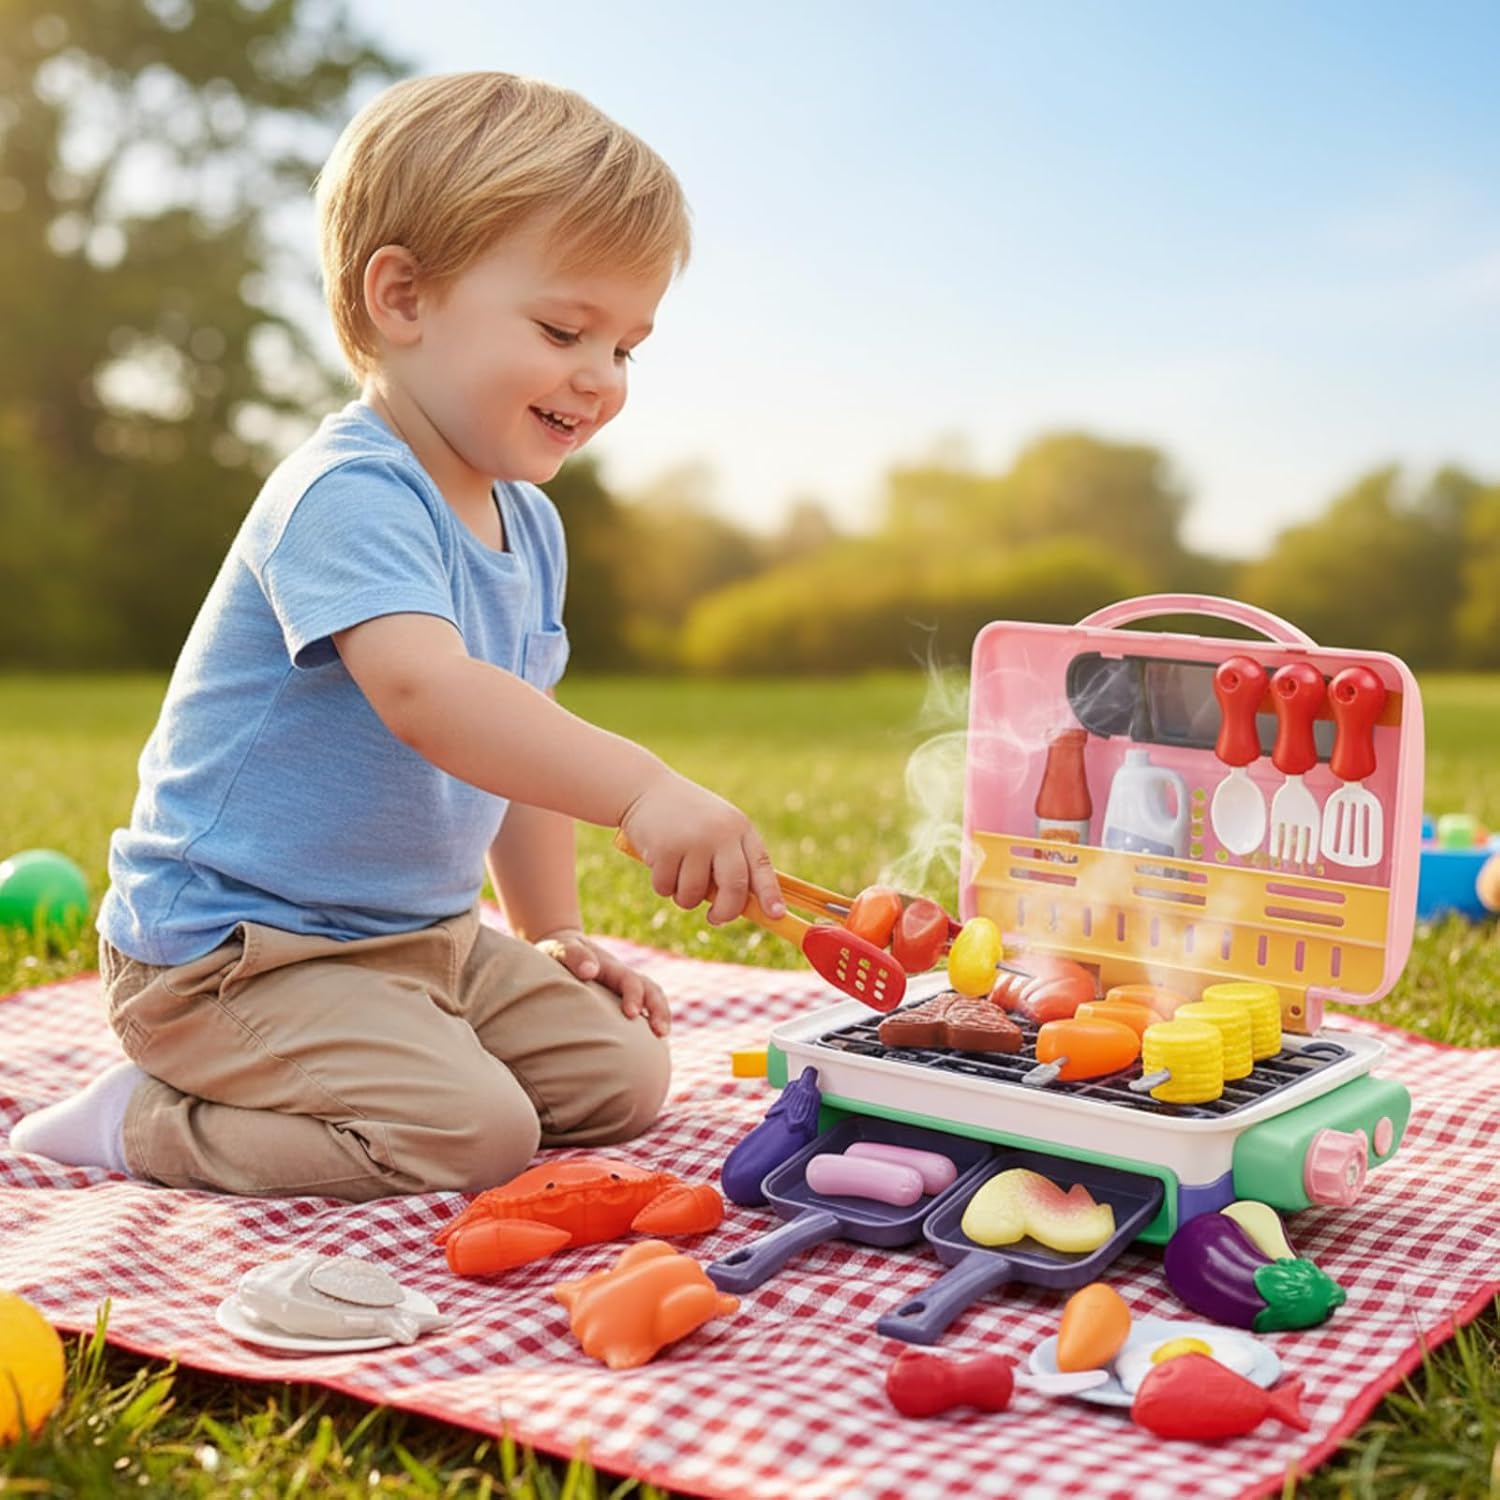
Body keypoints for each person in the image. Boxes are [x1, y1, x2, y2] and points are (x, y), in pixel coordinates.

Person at [9, 71, 785, 1200]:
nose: (600, 379)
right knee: (474, 1135)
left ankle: (395, 1051)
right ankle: (143, 1120)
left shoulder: (531, 524)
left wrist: (554, 931)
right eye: (565, 329)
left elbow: (517, 740)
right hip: (236, 956)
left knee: (623, 1076)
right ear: (404, 297)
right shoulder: (347, 491)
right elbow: (431, 696)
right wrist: (640, 789)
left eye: (625, 347)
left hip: (421, 940)